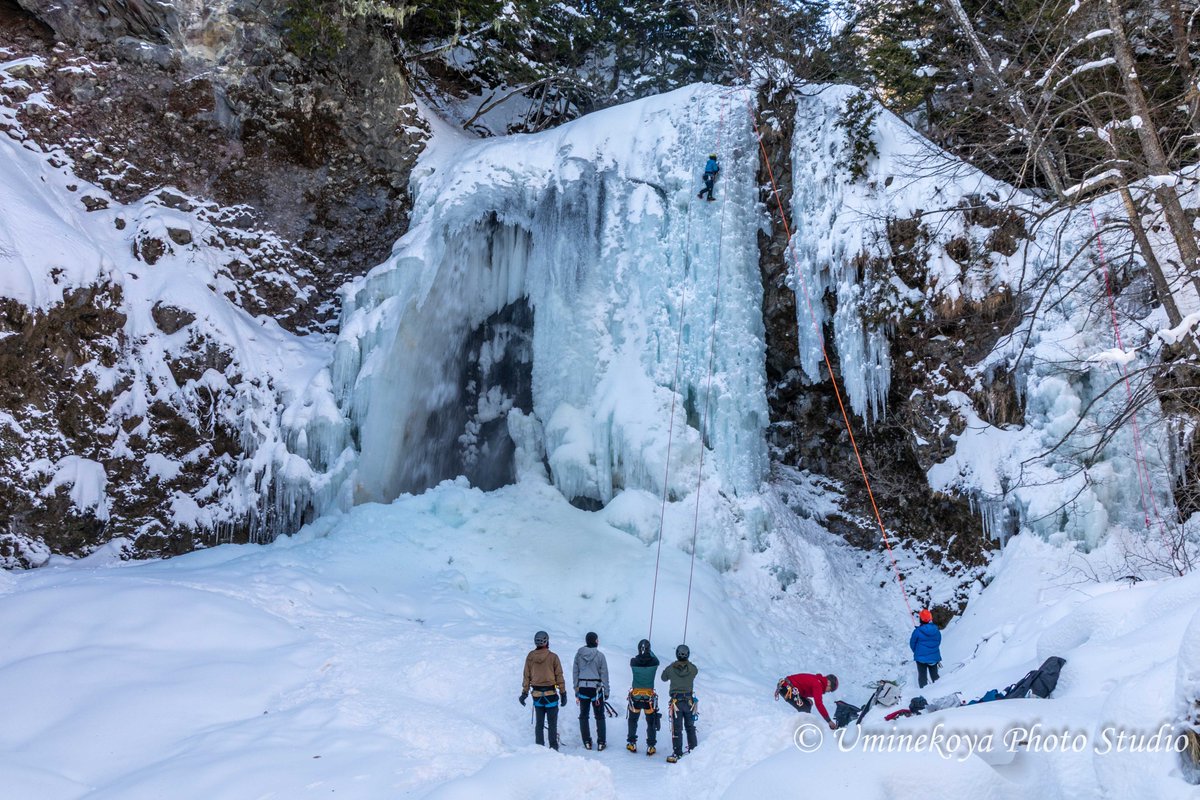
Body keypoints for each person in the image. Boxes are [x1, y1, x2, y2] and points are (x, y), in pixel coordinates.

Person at [520, 630, 566, 750]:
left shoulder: (530, 657)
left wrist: (524, 693)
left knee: (539, 724)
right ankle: (553, 748)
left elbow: (526, 676)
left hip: (537, 696)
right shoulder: (553, 657)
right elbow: (559, 676)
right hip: (551, 696)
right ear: (547, 641)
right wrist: (563, 693)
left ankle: (539, 748)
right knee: (552, 724)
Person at [661, 644, 699, 763]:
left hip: (676, 703)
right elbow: (695, 671)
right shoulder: (692, 669)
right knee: (690, 727)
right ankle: (694, 750)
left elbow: (663, 677)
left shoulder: (671, 668)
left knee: (677, 729)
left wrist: (673, 665)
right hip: (689, 702)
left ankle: (677, 753)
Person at [573, 631, 611, 751]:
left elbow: (575, 672)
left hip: (583, 688)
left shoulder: (579, 655)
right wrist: (606, 691)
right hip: (596, 689)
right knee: (599, 716)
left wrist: (576, 688)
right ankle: (601, 742)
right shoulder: (600, 656)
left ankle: (587, 742)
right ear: (595, 641)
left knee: (583, 716)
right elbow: (604, 674)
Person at [626, 639, 660, 755]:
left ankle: (631, 743)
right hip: (649, 697)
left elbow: (638, 657)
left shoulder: (633, 662)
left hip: (635, 696)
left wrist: (642, 652)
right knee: (651, 722)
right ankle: (651, 746)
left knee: (633, 720)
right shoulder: (654, 662)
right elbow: (655, 658)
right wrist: (649, 652)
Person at [910, 609, 942, 688]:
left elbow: (912, 644)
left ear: (921, 619)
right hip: (934, 657)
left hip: (921, 658)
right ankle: (939, 690)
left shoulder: (917, 631)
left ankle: (924, 692)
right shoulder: (936, 630)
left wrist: (917, 652)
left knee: (922, 677)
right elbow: (938, 642)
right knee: (935, 676)